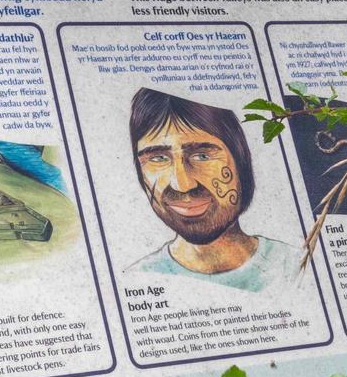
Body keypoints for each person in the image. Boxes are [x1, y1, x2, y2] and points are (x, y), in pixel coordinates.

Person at [124, 88, 298, 290]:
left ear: (241, 161)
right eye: (158, 158)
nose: (183, 184)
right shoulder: (138, 279)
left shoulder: (294, 266)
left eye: (202, 156)